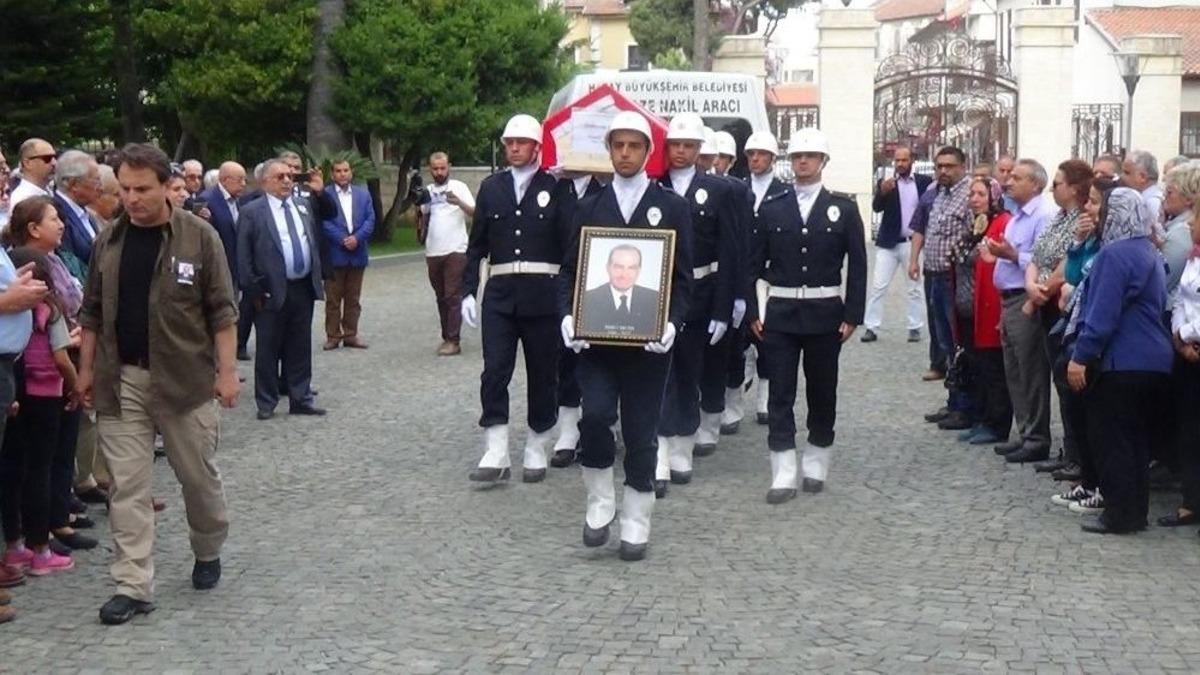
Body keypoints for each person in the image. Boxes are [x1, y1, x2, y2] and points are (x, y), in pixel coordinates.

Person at [76, 143, 239, 624]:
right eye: (124, 189)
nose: (131, 198)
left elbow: (222, 312)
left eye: (142, 189)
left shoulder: (199, 237)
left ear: (167, 186)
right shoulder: (109, 240)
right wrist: (85, 370)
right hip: (122, 378)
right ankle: (132, 584)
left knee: (197, 478)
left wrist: (226, 373)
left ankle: (207, 547)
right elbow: (91, 312)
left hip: (185, 381)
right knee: (127, 486)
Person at [559, 110, 692, 560]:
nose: (625, 153)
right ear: (609, 150)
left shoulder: (672, 207)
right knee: (595, 417)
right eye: (618, 145)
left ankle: (637, 515)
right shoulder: (588, 207)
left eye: (634, 145)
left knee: (640, 432)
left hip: (648, 348)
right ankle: (600, 498)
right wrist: (567, 317)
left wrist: (672, 323)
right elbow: (569, 273)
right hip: (596, 344)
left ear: (648, 151)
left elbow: (683, 280)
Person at [748, 127, 866, 501]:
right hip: (781, 313)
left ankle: (816, 459)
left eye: (810, 156)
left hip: (824, 313)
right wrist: (753, 310)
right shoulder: (773, 207)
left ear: (823, 161)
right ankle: (783, 471)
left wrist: (853, 313)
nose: (803, 162)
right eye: (798, 156)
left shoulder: (843, 209)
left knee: (822, 391)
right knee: (780, 393)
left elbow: (858, 265)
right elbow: (753, 265)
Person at [461, 114, 571, 484]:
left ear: (537, 147)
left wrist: (568, 301)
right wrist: (467, 292)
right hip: (501, 295)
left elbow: (571, 248)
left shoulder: (557, 186)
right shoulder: (492, 188)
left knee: (543, 374)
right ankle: (496, 449)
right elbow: (476, 245)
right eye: (509, 142)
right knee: (494, 371)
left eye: (521, 142)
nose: (514, 148)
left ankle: (538, 443)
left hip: (543, 296)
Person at [1066, 188, 1173, 534]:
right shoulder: (1149, 250)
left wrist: (1081, 356)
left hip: (1122, 359)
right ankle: (1134, 511)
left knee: (1114, 439)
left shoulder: (1114, 254)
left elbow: (1103, 313)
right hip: (1153, 359)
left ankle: (1120, 514)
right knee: (1137, 441)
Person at [2, 197, 96, 550]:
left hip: (49, 367)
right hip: (43, 379)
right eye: (54, 219)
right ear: (33, 229)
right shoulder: (33, 270)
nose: (61, 224)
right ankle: (38, 534)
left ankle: (52, 521)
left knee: (54, 455)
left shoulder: (54, 259)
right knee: (36, 461)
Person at [653, 113, 737, 491]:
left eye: (689, 145)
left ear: (700, 148)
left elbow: (729, 251)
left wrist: (724, 308)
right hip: (657, 293)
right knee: (658, 372)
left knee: (689, 371)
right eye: (676, 144)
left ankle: (682, 445)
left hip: (701, 293)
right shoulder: (653, 187)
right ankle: (658, 448)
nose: (681, 151)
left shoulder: (718, 191)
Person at [0, 247, 78, 577]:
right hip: (42, 393)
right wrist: (76, 385)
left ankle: (15, 545)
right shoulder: (51, 311)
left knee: (13, 468)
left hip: (16, 381)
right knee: (38, 469)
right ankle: (39, 547)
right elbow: (61, 358)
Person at [237, 159, 326, 421]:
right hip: (269, 290)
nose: (287, 180)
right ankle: (266, 401)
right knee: (268, 347)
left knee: (300, 345)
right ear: (265, 182)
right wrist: (254, 290)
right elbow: (244, 255)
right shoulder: (252, 211)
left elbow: (314, 237)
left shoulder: (302, 205)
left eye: (290, 176)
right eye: (280, 177)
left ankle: (301, 397)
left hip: (302, 287)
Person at [1023, 160, 1091, 473]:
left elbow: (1068, 264)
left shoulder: (1082, 220)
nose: (1053, 188)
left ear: (1075, 188)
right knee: (1058, 378)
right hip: (1044, 301)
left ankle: (1077, 454)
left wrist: (1041, 292)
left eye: (1058, 183)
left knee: (1067, 381)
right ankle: (1069, 450)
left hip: (1061, 305)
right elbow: (1037, 256)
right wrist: (1031, 285)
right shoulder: (1058, 218)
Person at [986, 159, 1055, 462]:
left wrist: (1013, 255)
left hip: (1025, 298)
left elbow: (1045, 262)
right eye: (1009, 176)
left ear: (1035, 184)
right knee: (1014, 370)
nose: (1009, 181)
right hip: (1008, 299)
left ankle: (1037, 437)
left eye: (1017, 177)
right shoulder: (1017, 216)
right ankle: (1026, 431)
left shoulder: (1043, 216)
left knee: (1031, 370)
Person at [910, 147, 972, 409]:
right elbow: (923, 229)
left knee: (959, 342)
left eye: (949, 166)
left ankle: (965, 405)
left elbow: (974, 237)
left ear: (962, 166)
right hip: (934, 275)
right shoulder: (938, 194)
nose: (943, 171)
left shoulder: (970, 196)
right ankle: (953, 401)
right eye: (939, 166)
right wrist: (915, 260)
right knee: (944, 340)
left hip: (954, 279)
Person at [958, 177, 1012, 445]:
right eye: (972, 194)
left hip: (990, 304)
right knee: (978, 365)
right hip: (971, 304)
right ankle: (981, 417)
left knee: (994, 368)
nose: (975, 199)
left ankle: (997, 423)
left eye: (981, 194)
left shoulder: (1002, 222)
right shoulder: (977, 224)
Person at [1161, 161, 1200, 529]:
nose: (1189, 225)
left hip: (1195, 345)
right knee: (1188, 428)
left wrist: (1188, 335)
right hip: (1186, 348)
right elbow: (1180, 300)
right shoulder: (1193, 256)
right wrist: (1179, 334)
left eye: (1196, 219)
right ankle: (1191, 499)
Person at [862, 145, 931, 343]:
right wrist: (882, 192)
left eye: (904, 160)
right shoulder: (888, 183)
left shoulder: (924, 183)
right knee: (878, 286)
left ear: (912, 161)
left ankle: (915, 326)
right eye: (897, 160)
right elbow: (876, 207)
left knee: (914, 287)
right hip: (889, 243)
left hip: (912, 243)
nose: (900, 164)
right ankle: (871, 327)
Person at [742, 131, 786, 426]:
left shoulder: (784, 192)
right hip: (741, 267)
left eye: (761, 154)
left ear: (772, 158)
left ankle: (765, 394)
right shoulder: (738, 188)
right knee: (739, 332)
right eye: (751, 154)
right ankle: (736, 388)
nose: (755, 159)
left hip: (769, 272)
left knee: (767, 333)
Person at [418, 152, 475, 356]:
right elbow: (423, 215)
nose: (439, 172)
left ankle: (453, 339)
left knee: (452, 295)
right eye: (435, 169)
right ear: (430, 169)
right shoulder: (428, 191)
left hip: (456, 249)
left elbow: (475, 212)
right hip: (433, 250)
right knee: (441, 295)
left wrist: (458, 202)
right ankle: (446, 337)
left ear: (449, 166)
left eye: (442, 168)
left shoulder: (459, 187)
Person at [321, 160, 375, 350]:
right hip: (335, 253)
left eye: (346, 170)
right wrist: (342, 239)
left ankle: (351, 334)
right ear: (332, 174)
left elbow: (370, 219)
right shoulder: (324, 195)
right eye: (338, 171)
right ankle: (333, 335)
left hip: (357, 253)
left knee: (353, 298)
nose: (342, 174)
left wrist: (357, 238)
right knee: (333, 299)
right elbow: (323, 221)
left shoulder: (363, 194)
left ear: (351, 172)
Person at [198, 162, 247, 295]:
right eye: (240, 180)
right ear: (225, 180)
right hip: (219, 268)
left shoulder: (237, 200)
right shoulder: (207, 199)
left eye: (245, 180)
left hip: (236, 268)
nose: (243, 184)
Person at [53, 151, 104, 268]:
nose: (101, 187)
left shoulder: (84, 212)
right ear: (74, 184)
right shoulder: (57, 215)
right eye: (96, 180)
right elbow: (70, 265)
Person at [1161, 161, 1197, 295]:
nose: (1164, 196)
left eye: (1169, 192)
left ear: (1188, 199)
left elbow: (1162, 282)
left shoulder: (1182, 233)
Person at [1122, 149, 1164, 237]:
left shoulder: (1151, 203)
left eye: (1127, 173)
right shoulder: (1142, 199)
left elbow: (1159, 237)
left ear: (1143, 177)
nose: (1122, 177)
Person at [9, 139, 56, 207]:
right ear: (27, 163)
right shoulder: (23, 199)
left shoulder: (48, 191)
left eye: (55, 157)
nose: (54, 163)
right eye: (47, 158)